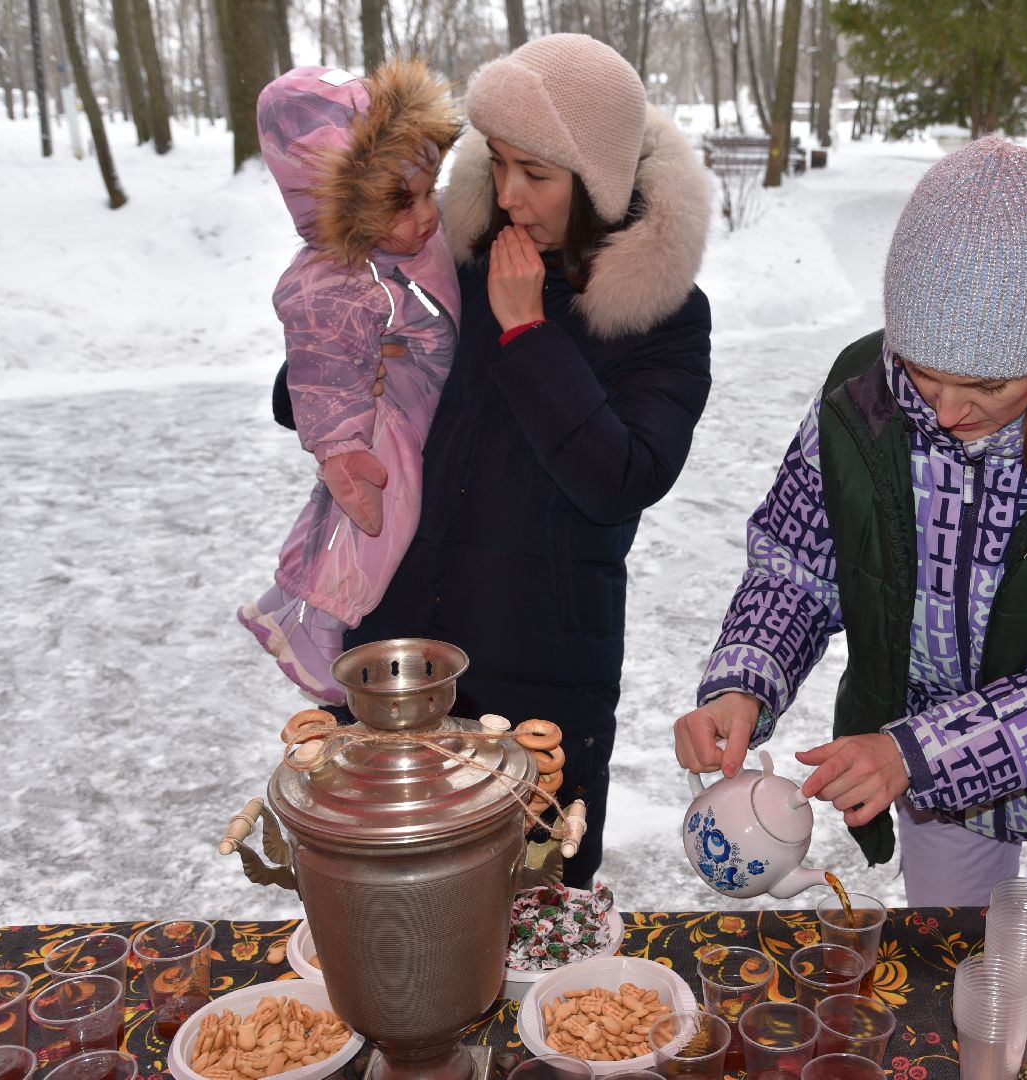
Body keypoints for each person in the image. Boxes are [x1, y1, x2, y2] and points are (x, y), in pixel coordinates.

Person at [674, 137, 1027, 907]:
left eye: (988, 384)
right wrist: (746, 677)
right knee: (947, 980)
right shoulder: (860, 403)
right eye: (922, 372)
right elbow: (798, 563)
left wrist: (922, 754)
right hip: (940, 802)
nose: (946, 410)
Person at [277, 35, 713, 890]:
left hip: (540, 674)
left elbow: (623, 478)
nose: (508, 195)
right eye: (498, 163)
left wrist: (528, 334)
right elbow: (327, 381)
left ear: (597, 182)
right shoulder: (457, 256)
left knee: (533, 923)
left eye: (538, 174)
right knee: (387, 912)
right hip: (398, 652)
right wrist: (334, 380)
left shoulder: (664, 314)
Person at [240, 60, 463, 706]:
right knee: (377, 513)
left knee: (378, 511)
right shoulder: (335, 280)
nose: (427, 216)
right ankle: (312, 619)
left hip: (418, 397)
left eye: (430, 190)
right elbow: (323, 370)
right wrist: (340, 448)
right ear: (342, 204)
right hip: (386, 420)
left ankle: (300, 607)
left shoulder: (408, 238)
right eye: (404, 202)